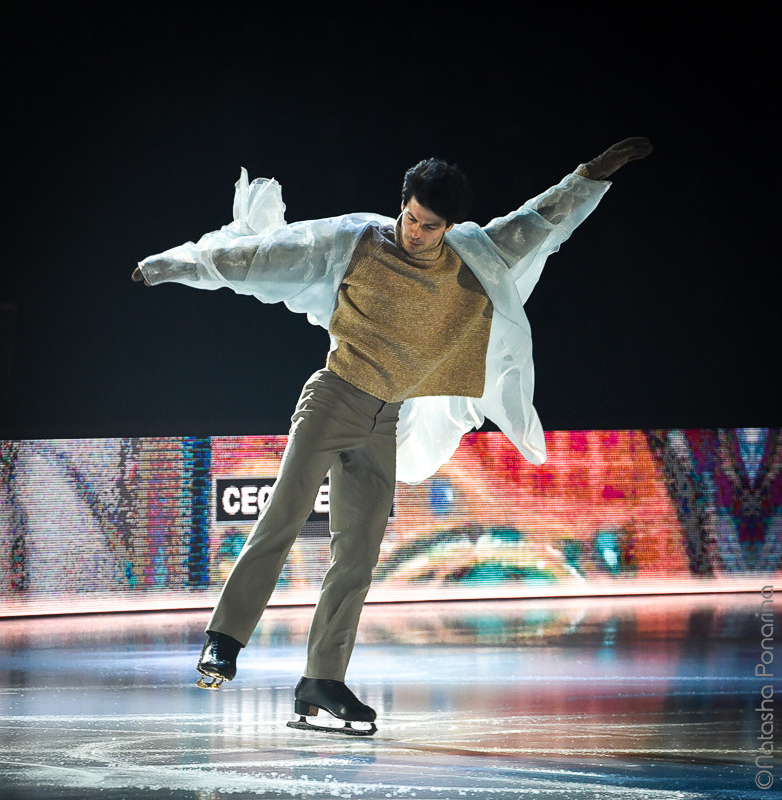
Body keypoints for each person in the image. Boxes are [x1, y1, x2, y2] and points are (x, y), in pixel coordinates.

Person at [132, 137, 653, 734]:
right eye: (409, 217)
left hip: (387, 422)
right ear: (400, 205)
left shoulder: (474, 257)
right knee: (283, 519)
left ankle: (322, 679)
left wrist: (594, 173)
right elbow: (260, 257)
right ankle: (223, 640)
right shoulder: (355, 242)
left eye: (429, 226)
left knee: (357, 555)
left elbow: (541, 218)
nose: (415, 231)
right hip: (334, 399)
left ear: (449, 226)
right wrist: (168, 266)